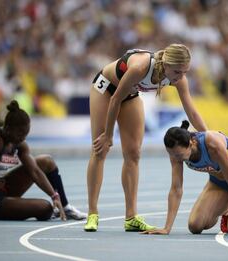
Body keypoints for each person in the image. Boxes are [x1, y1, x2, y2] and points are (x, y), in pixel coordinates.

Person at [85, 44, 208, 232]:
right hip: (106, 89)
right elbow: (115, 99)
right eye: (177, 72)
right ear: (166, 64)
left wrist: (208, 135)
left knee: (134, 153)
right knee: (100, 149)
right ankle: (92, 213)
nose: (181, 77)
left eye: (185, 72)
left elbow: (191, 111)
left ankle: (131, 217)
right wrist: (108, 135)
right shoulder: (140, 67)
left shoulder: (178, 79)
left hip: (129, 94)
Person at [0, 100, 86, 221]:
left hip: (5, 188)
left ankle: (66, 207)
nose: (23, 138)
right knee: (45, 208)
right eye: (20, 134)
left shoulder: (19, 144)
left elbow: (35, 171)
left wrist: (54, 196)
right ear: (8, 128)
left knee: (47, 161)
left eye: (26, 134)